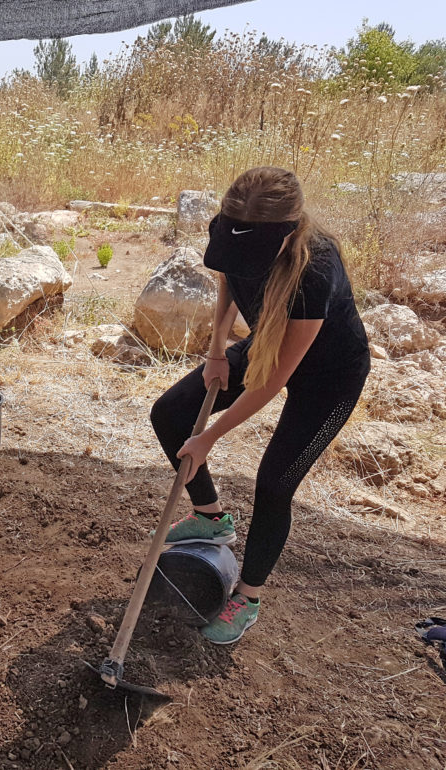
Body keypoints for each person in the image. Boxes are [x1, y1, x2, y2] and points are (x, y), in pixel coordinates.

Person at [150, 167, 370, 644]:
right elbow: (230, 274)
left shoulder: (316, 269)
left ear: (286, 233)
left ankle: (246, 597)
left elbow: (273, 381)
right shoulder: (232, 226)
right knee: (169, 413)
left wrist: (209, 437)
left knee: (274, 483)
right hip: (266, 344)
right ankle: (211, 519)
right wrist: (216, 351)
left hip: (329, 377)